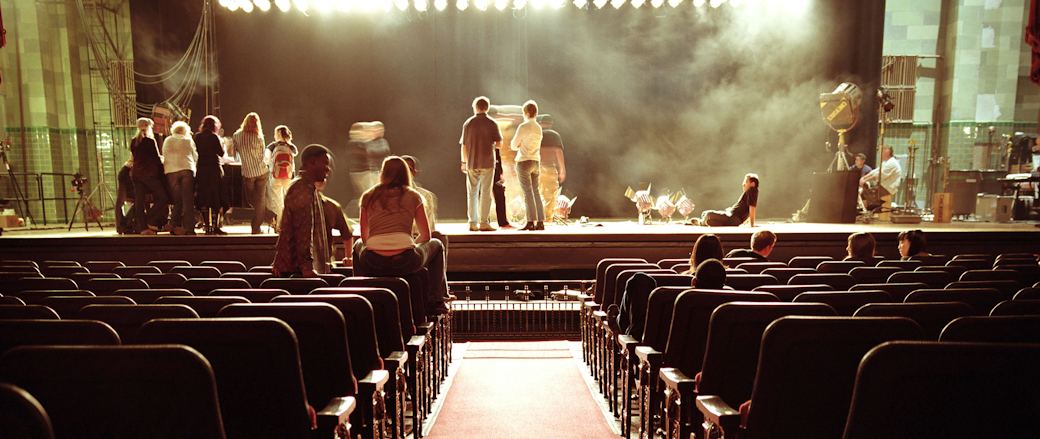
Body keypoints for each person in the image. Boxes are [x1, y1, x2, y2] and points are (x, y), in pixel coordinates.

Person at [353, 156, 449, 314]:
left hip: (373, 261)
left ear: (383, 173)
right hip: (406, 260)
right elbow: (426, 235)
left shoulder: (368, 196)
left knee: (357, 246)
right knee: (437, 245)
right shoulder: (414, 196)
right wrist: (411, 245)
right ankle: (436, 300)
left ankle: (361, 295)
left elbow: (364, 238)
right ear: (406, 174)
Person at [272, 144, 335, 277]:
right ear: (311, 163)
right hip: (296, 272)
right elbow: (303, 232)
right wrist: (307, 268)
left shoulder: (306, 188)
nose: (328, 169)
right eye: (324, 163)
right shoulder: (302, 190)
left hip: (296, 269)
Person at [460, 96, 503, 232]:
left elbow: (464, 145)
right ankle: (484, 222)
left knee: (472, 193)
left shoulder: (468, 123)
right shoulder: (492, 123)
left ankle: (472, 222)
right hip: (488, 162)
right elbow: (500, 144)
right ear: (487, 108)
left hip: (472, 162)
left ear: (475, 107)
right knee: (485, 193)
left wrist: (463, 162)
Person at [228, 112, 269, 234]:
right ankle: (257, 225)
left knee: (251, 200)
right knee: (260, 200)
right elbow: (263, 155)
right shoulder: (259, 137)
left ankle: (257, 223)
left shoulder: (237, 135)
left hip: (248, 173)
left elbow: (234, 154)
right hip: (262, 171)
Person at [129, 117, 168, 235]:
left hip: (136, 174)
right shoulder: (150, 141)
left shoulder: (133, 141)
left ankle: (143, 228)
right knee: (163, 198)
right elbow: (156, 159)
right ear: (149, 127)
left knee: (139, 202)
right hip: (149, 175)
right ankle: (147, 219)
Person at [510, 100, 545, 231]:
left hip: (524, 161)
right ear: (536, 112)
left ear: (526, 113)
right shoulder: (539, 128)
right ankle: (540, 222)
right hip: (536, 161)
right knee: (536, 192)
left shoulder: (523, 127)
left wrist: (519, 144)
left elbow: (513, 145)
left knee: (527, 192)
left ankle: (530, 222)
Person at [162, 121, 198, 235]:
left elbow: (164, 154)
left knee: (177, 200)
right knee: (187, 200)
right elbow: (195, 156)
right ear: (186, 131)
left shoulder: (167, 140)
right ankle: (189, 228)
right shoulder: (188, 140)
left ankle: (173, 224)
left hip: (171, 171)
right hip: (187, 169)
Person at [194, 115, 227, 235]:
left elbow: (195, 151)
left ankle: (207, 226)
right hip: (214, 169)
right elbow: (221, 153)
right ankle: (215, 225)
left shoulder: (197, 137)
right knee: (216, 197)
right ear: (214, 126)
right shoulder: (214, 137)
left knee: (204, 197)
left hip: (202, 169)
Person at [267, 125, 299, 229]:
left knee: (277, 201)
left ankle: (279, 225)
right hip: (288, 177)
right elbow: (295, 155)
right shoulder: (292, 147)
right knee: (289, 200)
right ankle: (289, 224)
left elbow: (266, 159)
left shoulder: (272, 146)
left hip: (275, 176)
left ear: (278, 134)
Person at [316, 180, 353, 266]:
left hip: (325, 262)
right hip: (321, 263)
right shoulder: (331, 206)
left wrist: (348, 257)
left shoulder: (331, 206)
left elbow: (347, 233)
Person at [861, 146, 902, 221]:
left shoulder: (892, 163)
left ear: (887, 152)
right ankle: (873, 214)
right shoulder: (885, 162)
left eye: (881, 151)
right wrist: (864, 178)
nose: (880, 153)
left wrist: (865, 179)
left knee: (871, 195)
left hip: (887, 187)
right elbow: (876, 171)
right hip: (883, 186)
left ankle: (883, 219)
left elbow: (881, 174)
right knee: (866, 193)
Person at [538, 114, 567, 222]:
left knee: (537, 195)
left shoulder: (537, 134)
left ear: (540, 123)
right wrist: (562, 170)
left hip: (537, 168)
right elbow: (558, 152)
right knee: (550, 197)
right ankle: (547, 220)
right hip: (550, 169)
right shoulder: (555, 135)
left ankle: (538, 219)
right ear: (551, 124)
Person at [115, 158, 135, 234]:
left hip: (126, 169)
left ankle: (120, 225)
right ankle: (124, 224)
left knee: (120, 200)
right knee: (139, 198)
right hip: (129, 172)